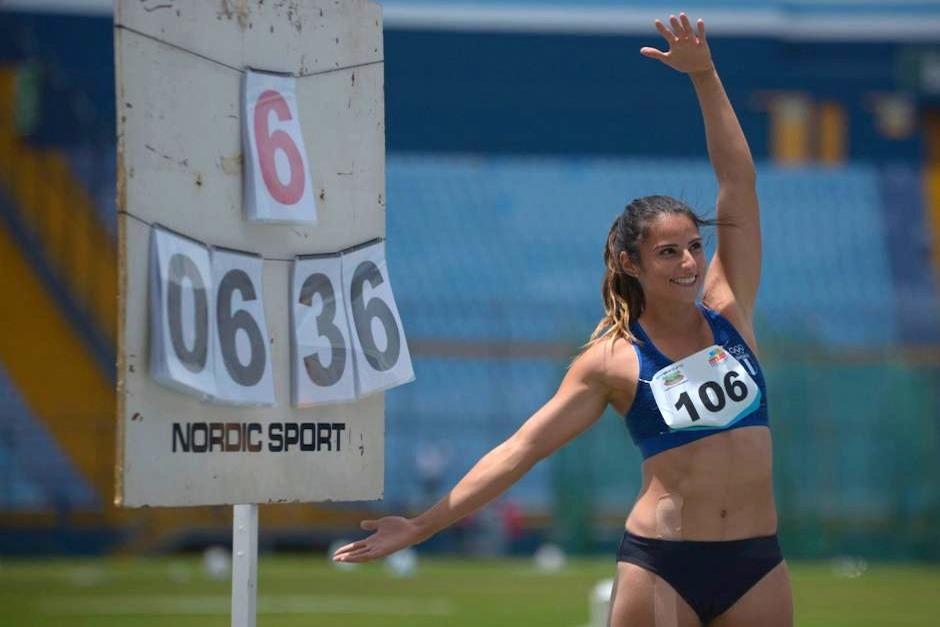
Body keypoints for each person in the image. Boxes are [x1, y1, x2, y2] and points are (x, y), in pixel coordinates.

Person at [333, 13, 793, 627]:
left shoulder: (730, 308)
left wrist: (704, 74)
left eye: (693, 247)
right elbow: (521, 450)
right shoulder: (614, 359)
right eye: (667, 252)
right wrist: (422, 525)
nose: (688, 262)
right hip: (666, 566)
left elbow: (738, 179)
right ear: (630, 264)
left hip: (757, 562)